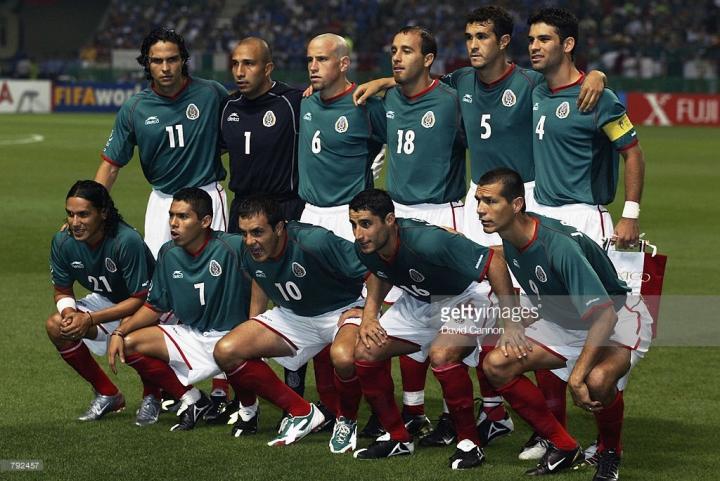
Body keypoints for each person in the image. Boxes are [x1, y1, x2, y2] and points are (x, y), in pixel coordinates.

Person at [476, 168, 652, 480]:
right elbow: (497, 257)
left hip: (617, 318)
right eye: (479, 200)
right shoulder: (511, 233)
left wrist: (576, 378)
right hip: (565, 321)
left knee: (597, 380)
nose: (480, 209)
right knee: (497, 365)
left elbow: (604, 316)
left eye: (490, 201)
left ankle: (610, 452)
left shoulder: (558, 246)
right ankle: (564, 445)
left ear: (516, 205)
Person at [347, 188, 517, 470]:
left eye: (365, 224)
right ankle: (398, 437)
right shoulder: (367, 246)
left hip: (465, 297)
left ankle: (469, 443)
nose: (358, 234)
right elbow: (379, 272)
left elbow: (494, 262)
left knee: (442, 354)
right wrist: (369, 315)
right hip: (419, 300)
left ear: (389, 220)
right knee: (366, 351)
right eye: (353, 224)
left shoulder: (428, 241)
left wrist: (511, 322)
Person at [213, 196, 371, 452]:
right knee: (226, 351)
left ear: (279, 227)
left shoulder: (315, 241)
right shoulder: (249, 250)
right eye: (244, 233)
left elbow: (372, 267)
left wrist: (368, 311)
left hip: (340, 311)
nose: (250, 241)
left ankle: (347, 420)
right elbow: (259, 278)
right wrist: (254, 325)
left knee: (343, 357)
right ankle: (301, 412)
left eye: (257, 232)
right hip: (293, 316)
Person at [107, 188, 257, 433]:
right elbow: (155, 306)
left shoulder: (232, 246)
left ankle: (251, 411)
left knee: (238, 353)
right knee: (130, 343)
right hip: (193, 335)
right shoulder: (168, 252)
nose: (173, 223)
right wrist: (119, 332)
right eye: (172, 215)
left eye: (183, 216)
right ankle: (193, 400)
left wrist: (255, 323)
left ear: (205, 221)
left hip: (231, 338)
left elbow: (264, 272)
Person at [95, 27, 229, 258]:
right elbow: (110, 166)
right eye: (157, 61)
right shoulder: (135, 108)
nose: (165, 68)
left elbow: (238, 132)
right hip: (162, 201)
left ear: (183, 60)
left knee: (214, 268)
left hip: (206, 196)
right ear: (147, 63)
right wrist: (91, 209)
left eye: (172, 59)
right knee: (157, 271)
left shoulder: (212, 93)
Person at [528, 7, 645, 249]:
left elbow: (633, 154)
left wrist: (630, 215)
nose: (534, 47)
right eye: (531, 40)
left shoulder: (600, 99)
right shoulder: (536, 91)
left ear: (568, 44)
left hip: (583, 217)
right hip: (539, 215)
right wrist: (598, 73)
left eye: (544, 39)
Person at [47, 180, 156, 425]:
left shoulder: (126, 240)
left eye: (83, 214)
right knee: (57, 325)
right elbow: (62, 290)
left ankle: (153, 395)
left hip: (150, 305)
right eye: (70, 214)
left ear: (103, 213)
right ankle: (108, 394)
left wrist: (89, 319)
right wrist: (71, 314)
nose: (75, 222)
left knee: (132, 336)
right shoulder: (63, 242)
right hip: (108, 300)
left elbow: (140, 298)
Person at [298, 33, 386, 241]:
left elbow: (397, 138)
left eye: (322, 59)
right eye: (310, 60)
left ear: (344, 63)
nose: (313, 67)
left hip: (350, 216)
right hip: (309, 213)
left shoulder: (366, 105)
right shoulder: (306, 101)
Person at [221, 37, 305, 229]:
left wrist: (376, 84)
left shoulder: (293, 103)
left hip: (282, 209)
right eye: (235, 64)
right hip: (241, 210)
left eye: (249, 64)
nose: (240, 72)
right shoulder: (228, 106)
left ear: (267, 69)